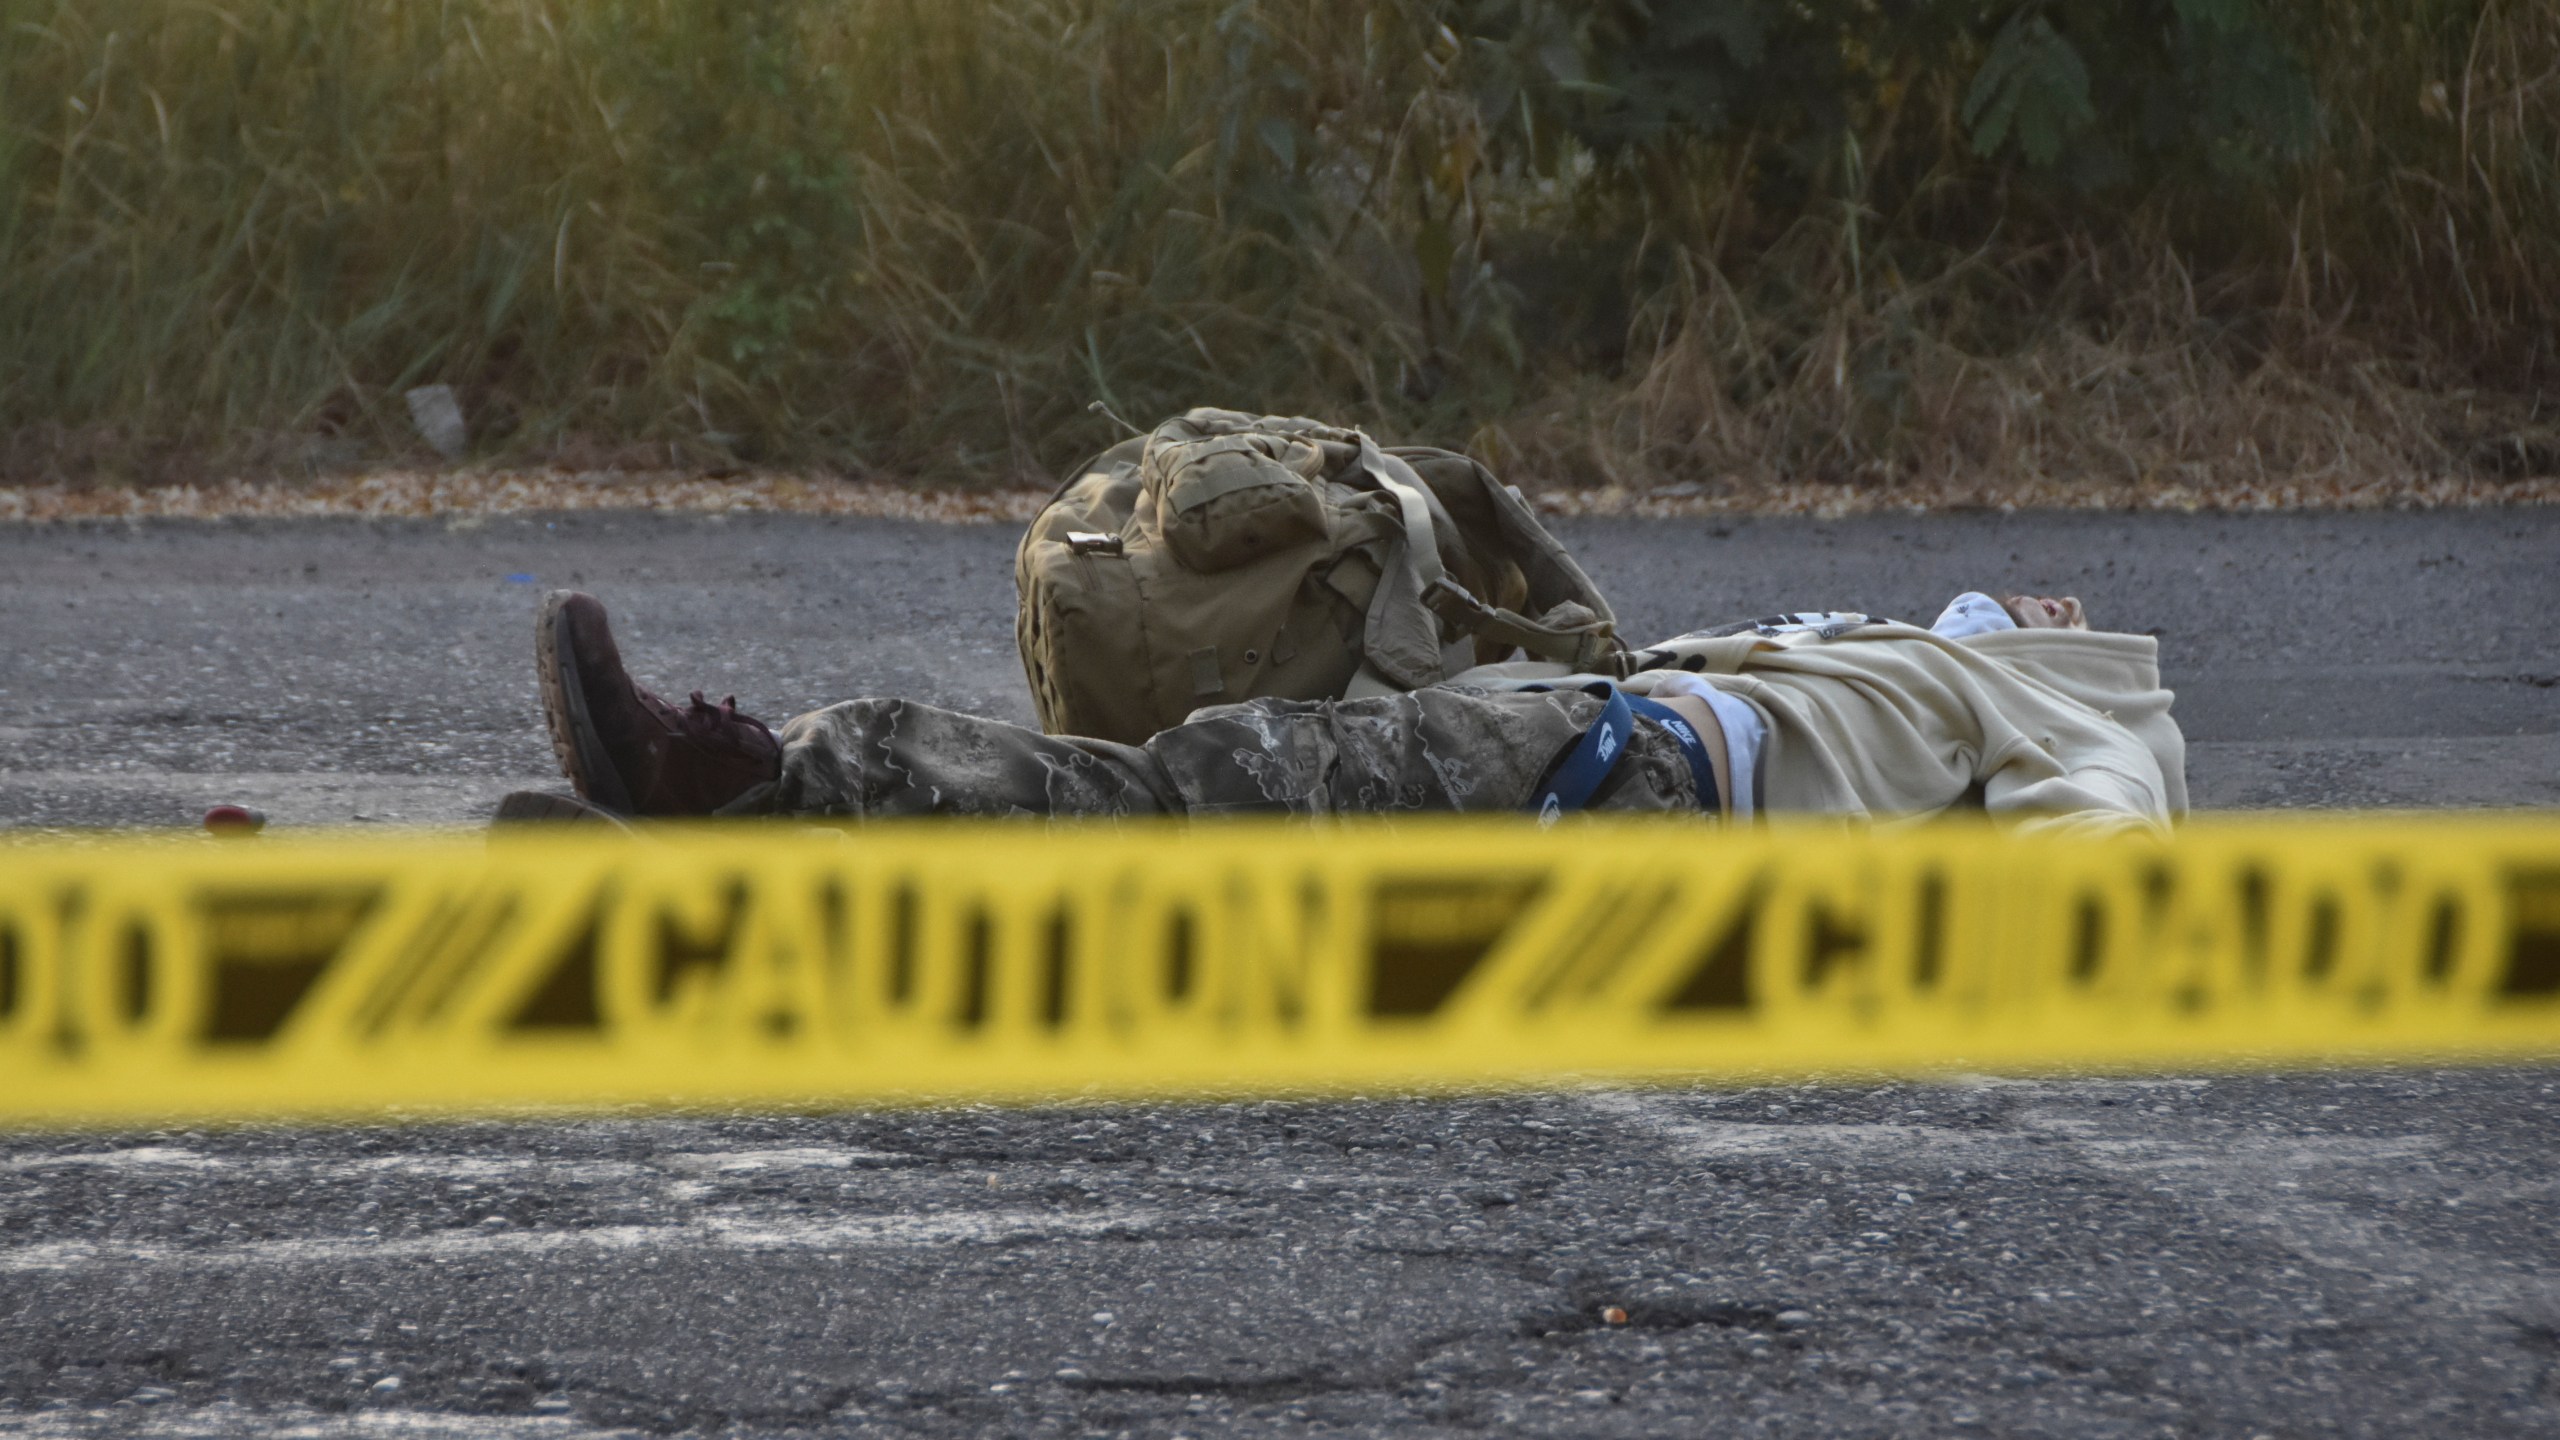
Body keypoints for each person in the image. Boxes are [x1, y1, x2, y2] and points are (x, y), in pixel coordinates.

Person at [500, 585, 2183, 837]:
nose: (2037, 598)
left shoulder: (2087, 699)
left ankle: (771, 773)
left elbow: (2093, 850)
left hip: (1612, 781)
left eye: (2051, 606)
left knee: (1189, 791)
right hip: (1584, 748)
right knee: (1171, 853)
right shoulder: (1892, 650)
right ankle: (750, 850)